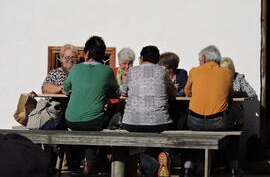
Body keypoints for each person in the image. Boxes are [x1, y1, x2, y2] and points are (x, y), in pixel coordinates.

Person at [64, 36, 119, 174]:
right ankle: (92, 161)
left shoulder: (75, 69)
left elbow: (66, 90)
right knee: (107, 117)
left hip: (71, 120)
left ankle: (74, 164)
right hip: (94, 122)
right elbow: (116, 92)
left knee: (83, 123)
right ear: (102, 54)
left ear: (86, 52)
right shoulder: (107, 71)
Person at [121, 45, 176, 177]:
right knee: (171, 129)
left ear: (141, 58)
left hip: (132, 122)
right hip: (159, 122)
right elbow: (172, 93)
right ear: (157, 60)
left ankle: (154, 167)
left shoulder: (132, 71)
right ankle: (166, 155)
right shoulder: (162, 71)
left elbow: (123, 92)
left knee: (141, 142)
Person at [184, 45, 235, 176]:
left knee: (184, 125)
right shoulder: (228, 73)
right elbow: (229, 96)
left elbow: (187, 92)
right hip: (218, 123)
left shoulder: (194, 71)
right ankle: (226, 166)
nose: (199, 63)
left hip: (195, 121)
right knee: (233, 123)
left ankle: (189, 166)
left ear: (204, 58)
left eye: (199, 60)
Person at [220, 57, 257, 129]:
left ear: (231, 69)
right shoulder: (217, 80)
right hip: (219, 119)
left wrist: (237, 94)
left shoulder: (238, 78)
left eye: (226, 70)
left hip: (236, 118)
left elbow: (252, 93)